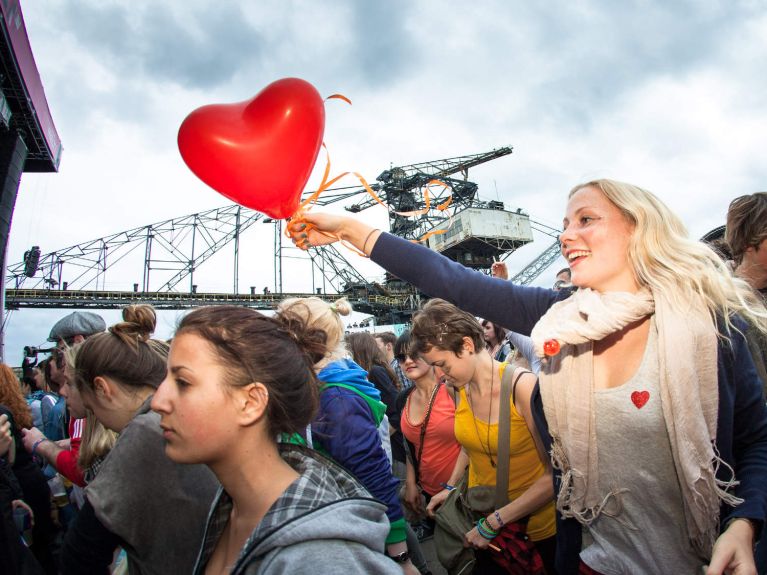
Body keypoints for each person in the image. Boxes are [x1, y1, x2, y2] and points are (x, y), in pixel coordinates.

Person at [288, 177, 767, 575]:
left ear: (639, 229)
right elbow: (452, 279)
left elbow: (756, 442)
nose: (565, 235)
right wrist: (352, 230)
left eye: (586, 219)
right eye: (563, 224)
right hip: (588, 561)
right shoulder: (560, 316)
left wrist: (744, 524)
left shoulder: (714, 327)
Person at [150, 305, 399, 574]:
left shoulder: (318, 559)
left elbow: (374, 472)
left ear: (252, 402)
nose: (158, 401)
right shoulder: (228, 512)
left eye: (183, 382)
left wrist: (400, 550)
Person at [60, 304, 218, 575]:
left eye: (73, 385)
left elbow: (80, 553)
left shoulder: (147, 430)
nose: (64, 392)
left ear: (102, 388)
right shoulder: (187, 415)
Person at [412, 300, 556, 574]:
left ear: (466, 345)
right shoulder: (458, 389)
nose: (440, 376)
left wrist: (496, 521)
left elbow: (555, 477)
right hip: (481, 520)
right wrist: (451, 487)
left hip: (533, 533)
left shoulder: (522, 387)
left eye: (442, 364)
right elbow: (471, 444)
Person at [278, 297, 419, 574]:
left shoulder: (336, 398)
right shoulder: (320, 386)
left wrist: (401, 559)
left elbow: (374, 477)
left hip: (358, 532)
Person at [395, 330, 463, 530]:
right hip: (429, 492)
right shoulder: (403, 399)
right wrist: (410, 483)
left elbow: (471, 441)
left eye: (414, 354)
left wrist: (452, 486)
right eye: (401, 357)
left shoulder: (453, 390)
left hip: (462, 489)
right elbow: (410, 446)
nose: (407, 361)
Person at [0, 365, 56, 574]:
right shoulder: (16, 409)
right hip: (30, 482)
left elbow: (10, 459)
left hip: (21, 486)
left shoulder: (4, 415)